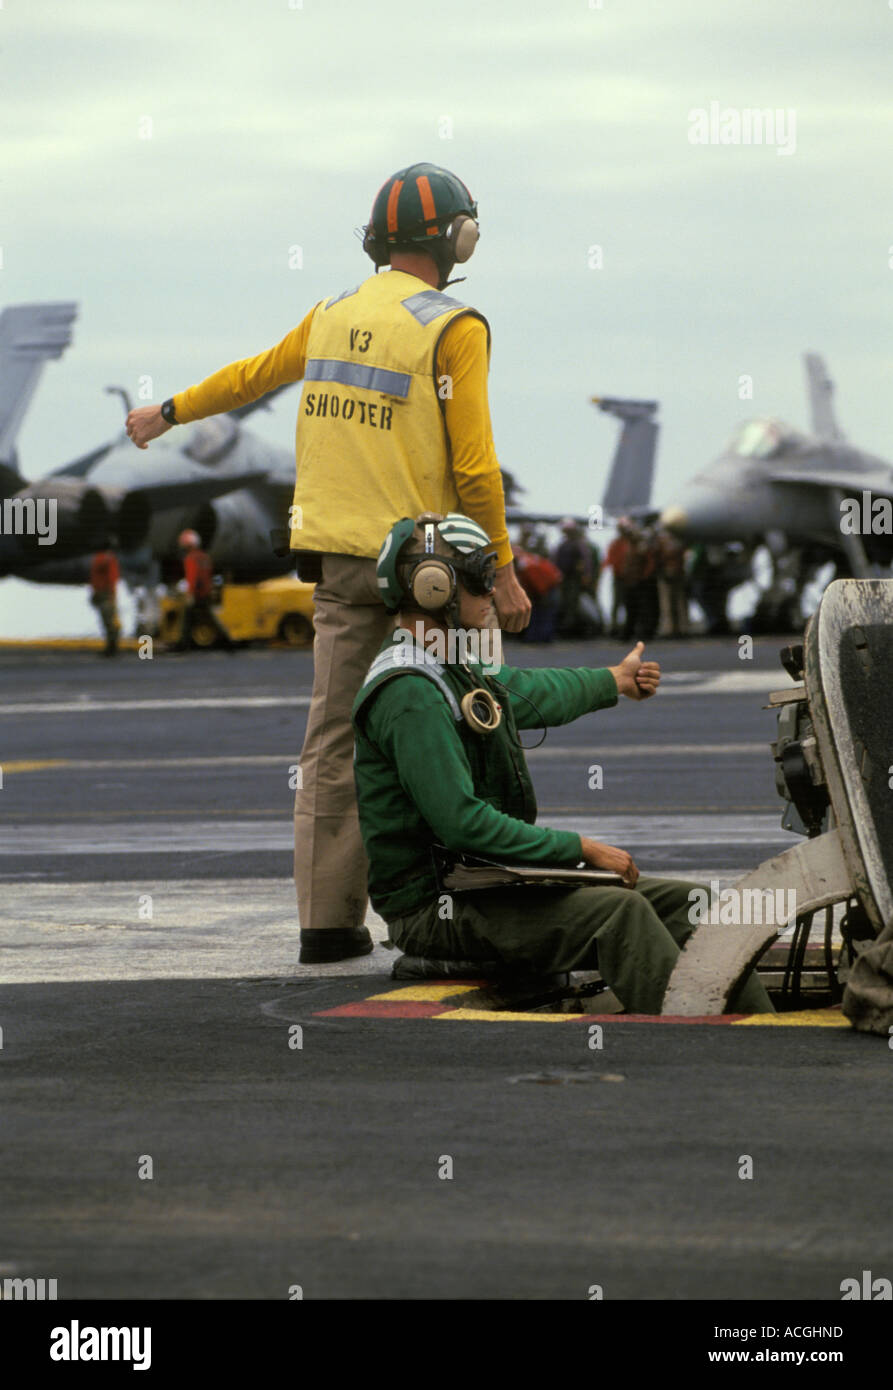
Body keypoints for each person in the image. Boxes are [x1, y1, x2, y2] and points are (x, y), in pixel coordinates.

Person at [124, 162, 530, 963]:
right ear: (456, 237)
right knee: (472, 723)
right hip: (432, 576)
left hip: (341, 568)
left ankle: (327, 922)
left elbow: (251, 377)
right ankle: (471, 913)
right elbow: (477, 469)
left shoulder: (331, 314)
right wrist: (505, 571)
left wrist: (166, 411)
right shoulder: (454, 327)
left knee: (335, 739)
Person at [351, 513, 773, 1015]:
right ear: (433, 587)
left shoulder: (451, 663)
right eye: (481, 579)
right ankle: (704, 1048)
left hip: (488, 884)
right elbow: (462, 824)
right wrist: (580, 849)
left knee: (699, 903)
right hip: (435, 908)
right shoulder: (411, 693)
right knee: (621, 915)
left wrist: (613, 680)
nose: (493, 593)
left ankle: (760, 1028)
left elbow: (526, 692)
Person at [173, 530, 235, 652]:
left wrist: (190, 593)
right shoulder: (205, 557)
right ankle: (228, 642)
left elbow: (192, 577)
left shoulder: (190, 558)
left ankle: (183, 644)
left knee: (187, 618)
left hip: (197, 593)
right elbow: (207, 575)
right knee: (206, 617)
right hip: (205, 592)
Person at [89, 539, 120, 657]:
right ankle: (111, 646)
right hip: (103, 593)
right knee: (107, 620)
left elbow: (111, 578)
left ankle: (112, 647)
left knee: (109, 621)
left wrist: (112, 594)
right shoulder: (105, 558)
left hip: (104, 593)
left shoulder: (105, 559)